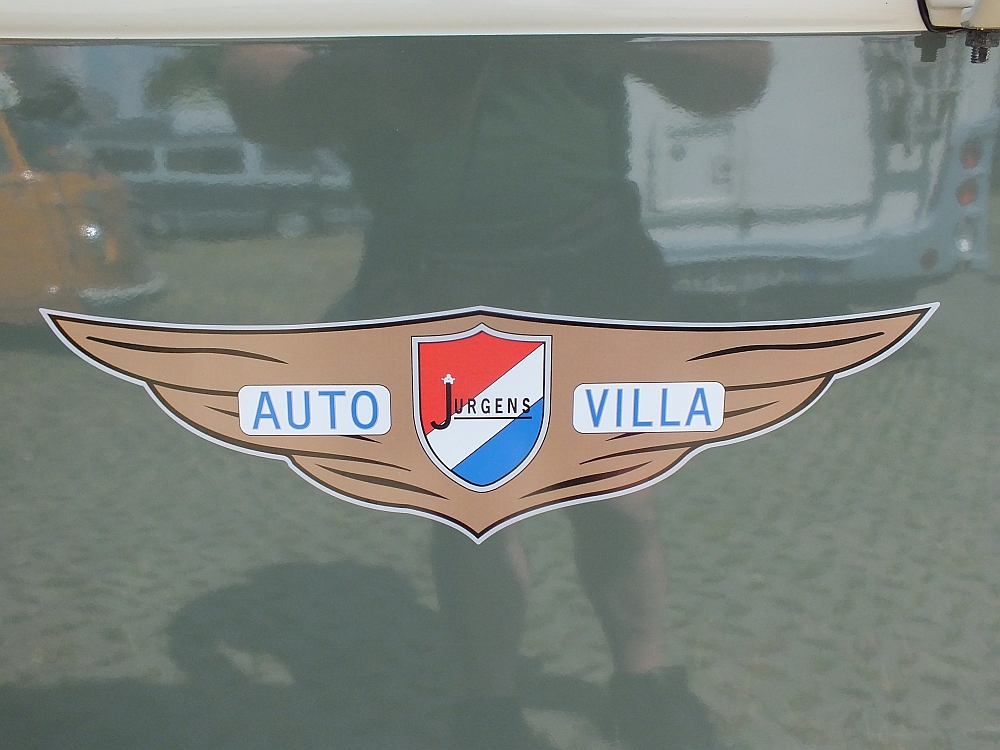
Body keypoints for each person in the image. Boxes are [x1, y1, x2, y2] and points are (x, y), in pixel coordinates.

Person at [220, 36, 771, 749]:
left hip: (591, 261)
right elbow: (257, 89)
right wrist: (379, 77)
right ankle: (489, 714)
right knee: (478, 506)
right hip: (438, 270)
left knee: (618, 498)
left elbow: (740, 70)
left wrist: (608, 38)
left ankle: (643, 687)